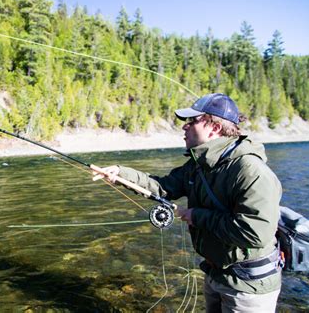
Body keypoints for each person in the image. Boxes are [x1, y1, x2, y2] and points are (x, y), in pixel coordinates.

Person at [94, 93, 283, 312]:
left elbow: (256, 233)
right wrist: (120, 173)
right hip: (215, 273)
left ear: (214, 127)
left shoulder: (250, 171)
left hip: (248, 285)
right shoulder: (197, 165)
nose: (185, 127)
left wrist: (195, 216)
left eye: (192, 121)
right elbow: (162, 187)